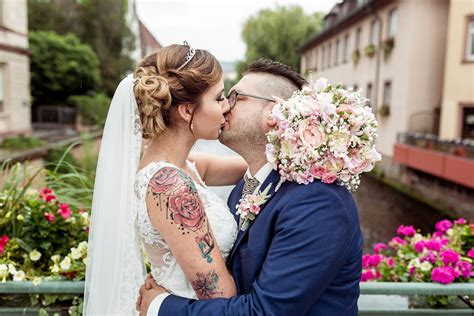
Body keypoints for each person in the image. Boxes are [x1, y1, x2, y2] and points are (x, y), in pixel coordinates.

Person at [137, 59, 364, 315]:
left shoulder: (319, 203)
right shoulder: (247, 184)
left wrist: (161, 306)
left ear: (274, 112)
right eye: (222, 97)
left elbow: (264, 311)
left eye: (235, 96)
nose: (226, 106)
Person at [83, 42, 248, 315]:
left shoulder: (188, 166)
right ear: (186, 111)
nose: (226, 108)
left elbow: (253, 167)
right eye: (219, 98)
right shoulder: (171, 186)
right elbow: (220, 296)